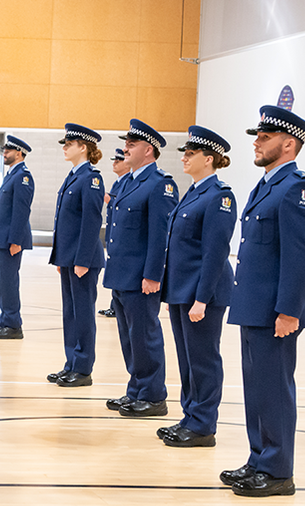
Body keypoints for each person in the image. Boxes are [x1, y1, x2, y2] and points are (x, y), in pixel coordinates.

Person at [221, 105, 305, 498]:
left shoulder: (298, 188)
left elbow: (301, 255)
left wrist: (289, 310)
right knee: (257, 388)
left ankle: (278, 470)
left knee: (275, 389)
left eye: (265, 137)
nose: (257, 142)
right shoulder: (265, 186)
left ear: (289, 144)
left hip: (275, 311)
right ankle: (258, 458)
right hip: (253, 305)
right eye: (258, 137)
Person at [159, 126, 235, 449]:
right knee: (187, 359)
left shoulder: (219, 197)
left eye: (192, 153)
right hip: (182, 291)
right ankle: (190, 415)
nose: (185, 158)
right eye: (185, 153)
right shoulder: (192, 192)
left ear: (210, 158)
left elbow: (214, 253)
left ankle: (203, 424)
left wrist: (201, 299)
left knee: (203, 359)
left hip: (202, 293)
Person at [104, 119, 176, 417]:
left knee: (145, 335)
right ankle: (136, 389)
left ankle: (153, 395)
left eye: (131, 145)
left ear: (149, 150)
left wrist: (152, 275)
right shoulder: (130, 182)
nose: (125, 148)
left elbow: (160, 235)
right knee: (129, 336)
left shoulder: (159, 184)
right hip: (121, 273)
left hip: (140, 277)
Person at [47, 123, 105, 388]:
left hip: (83, 259)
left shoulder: (91, 178)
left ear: (83, 147)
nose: (65, 147)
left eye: (69, 144)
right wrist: (61, 257)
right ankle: (71, 362)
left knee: (82, 313)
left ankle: (83, 368)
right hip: (69, 258)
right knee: (70, 313)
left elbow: (91, 223)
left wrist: (82, 259)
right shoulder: (74, 176)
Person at [0, 135, 33, 340]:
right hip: (2, 238)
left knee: (8, 283)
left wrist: (16, 240)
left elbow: (21, 211)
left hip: (10, 240)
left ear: (19, 153)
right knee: (3, 283)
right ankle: (6, 322)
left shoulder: (23, 176)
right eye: (4, 150)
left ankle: (13, 325)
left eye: (8, 151)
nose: (4, 153)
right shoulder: (12, 175)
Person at [99, 147, 129, 318]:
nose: (115, 163)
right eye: (114, 160)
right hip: (112, 232)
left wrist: (110, 201)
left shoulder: (126, 182)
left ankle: (116, 306)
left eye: (119, 160)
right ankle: (114, 305)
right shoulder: (118, 182)